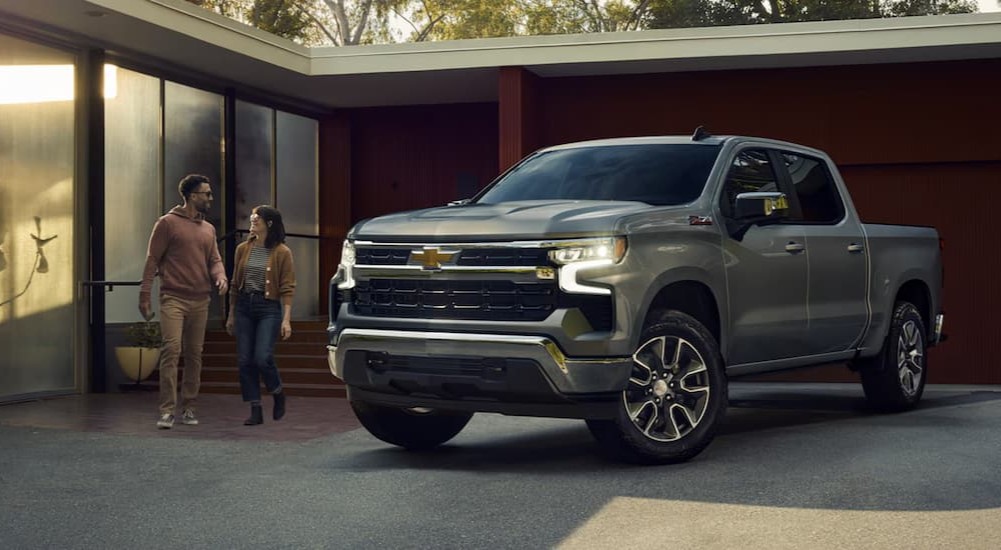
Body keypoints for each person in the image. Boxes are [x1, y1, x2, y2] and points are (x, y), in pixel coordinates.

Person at [140, 174, 228, 429]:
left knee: (194, 355)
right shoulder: (167, 223)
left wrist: (220, 277)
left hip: (200, 300)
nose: (210, 198)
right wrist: (144, 294)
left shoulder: (208, 229)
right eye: (206, 193)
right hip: (173, 298)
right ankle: (167, 410)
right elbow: (152, 259)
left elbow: (214, 259)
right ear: (192, 196)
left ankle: (189, 407)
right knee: (172, 350)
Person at [225, 205, 295, 425]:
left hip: (269, 309)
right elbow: (235, 284)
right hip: (244, 307)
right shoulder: (242, 249)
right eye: (252, 217)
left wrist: (286, 319)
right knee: (245, 360)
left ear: (269, 223)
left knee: (262, 358)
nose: (253, 220)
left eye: (258, 218)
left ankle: (277, 393)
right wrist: (231, 315)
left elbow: (287, 287)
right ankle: (255, 409)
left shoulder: (283, 252)